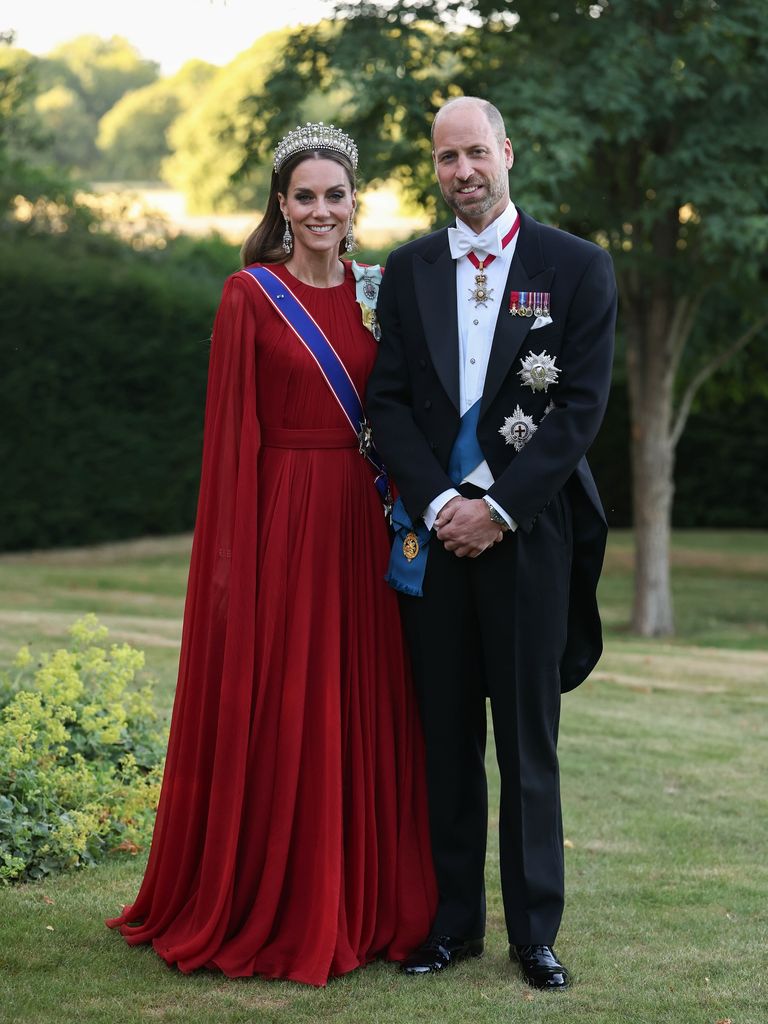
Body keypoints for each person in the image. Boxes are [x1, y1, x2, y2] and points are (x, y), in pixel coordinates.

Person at [107, 123, 436, 987]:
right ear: (281, 206)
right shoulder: (249, 294)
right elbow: (230, 443)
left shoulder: (379, 292)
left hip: (363, 527)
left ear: (354, 201)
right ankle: (284, 901)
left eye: (336, 194)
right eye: (305, 196)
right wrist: (235, 565)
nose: (321, 210)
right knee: (294, 700)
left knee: (362, 701)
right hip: (285, 521)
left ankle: (365, 904)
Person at [366, 96, 617, 990]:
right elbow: (387, 402)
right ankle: (450, 926)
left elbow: (579, 409)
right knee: (444, 738)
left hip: (527, 534)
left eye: (476, 152)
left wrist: (495, 508)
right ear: (433, 167)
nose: (462, 171)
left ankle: (535, 933)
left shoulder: (577, 266)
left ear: (507, 152)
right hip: (435, 539)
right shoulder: (407, 269)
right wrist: (439, 502)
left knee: (526, 743)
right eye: (445, 158)